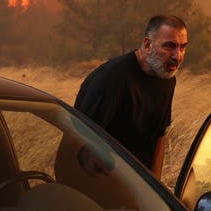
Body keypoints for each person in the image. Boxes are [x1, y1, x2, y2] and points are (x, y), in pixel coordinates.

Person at [73, 15, 188, 179]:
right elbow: (81, 142)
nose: (178, 56)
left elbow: (159, 135)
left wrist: (156, 187)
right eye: (169, 46)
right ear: (148, 45)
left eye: (182, 47)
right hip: (103, 183)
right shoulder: (111, 78)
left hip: (140, 186)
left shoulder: (167, 79)